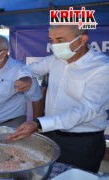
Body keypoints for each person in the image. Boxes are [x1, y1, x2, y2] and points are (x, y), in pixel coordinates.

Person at [9, 25, 109, 173]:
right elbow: (27, 69)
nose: (55, 45)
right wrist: (25, 78)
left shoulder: (101, 67)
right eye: (52, 40)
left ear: (82, 39)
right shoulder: (55, 59)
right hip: (51, 136)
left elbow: (87, 110)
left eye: (60, 40)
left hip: (81, 143)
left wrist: (39, 123)